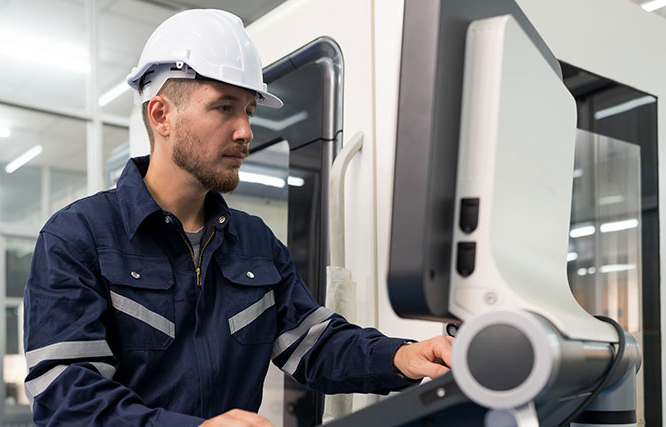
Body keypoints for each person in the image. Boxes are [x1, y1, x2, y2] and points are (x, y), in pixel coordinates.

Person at [23, 8, 453, 427]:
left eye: (248, 110)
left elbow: (314, 345)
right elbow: (66, 395)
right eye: (224, 107)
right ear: (161, 116)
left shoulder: (255, 242)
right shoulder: (78, 236)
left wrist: (401, 357)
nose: (246, 131)